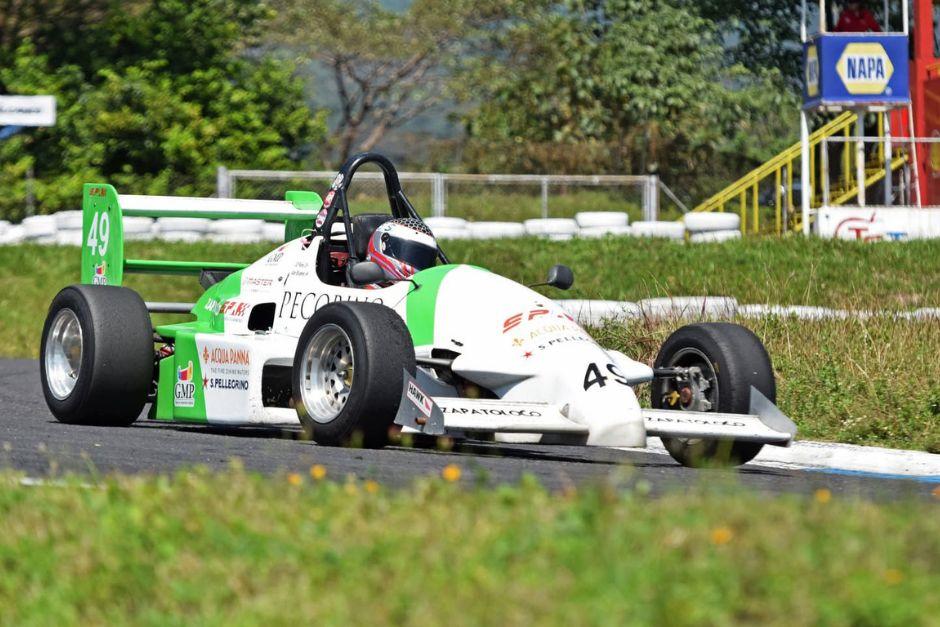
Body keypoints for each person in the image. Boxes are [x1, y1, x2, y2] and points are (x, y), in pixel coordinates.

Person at [366, 218, 438, 283]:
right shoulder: (362, 294)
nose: (419, 262)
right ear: (383, 245)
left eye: (424, 259)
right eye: (412, 255)